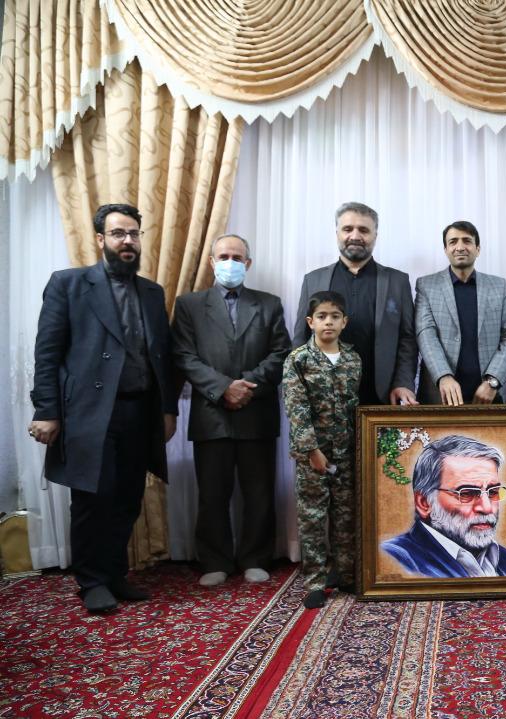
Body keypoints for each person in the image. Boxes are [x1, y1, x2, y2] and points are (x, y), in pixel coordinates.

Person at [29, 203, 177, 612]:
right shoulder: (68, 284)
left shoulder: (152, 292)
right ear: (100, 239)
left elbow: (161, 357)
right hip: (89, 414)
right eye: (118, 233)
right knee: (92, 500)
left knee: (128, 498)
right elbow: (47, 354)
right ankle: (91, 582)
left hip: (139, 411)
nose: (127, 241)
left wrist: (167, 409)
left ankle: (114, 575)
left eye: (133, 233)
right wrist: (46, 411)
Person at [171, 234, 291, 587]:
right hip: (212, 413)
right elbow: (183, 355)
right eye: (223, 256)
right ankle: (215, 560)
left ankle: (256, 557)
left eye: (237, 257)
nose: (230, 263)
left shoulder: (269, 304)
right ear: (211, 261)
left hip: (257, 411)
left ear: (247, 263)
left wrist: (246, 385)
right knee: (212, 493)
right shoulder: (190, 305)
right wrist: (223, 388)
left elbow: (281, 353)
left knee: (259, 493)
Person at [292, 202, 417, 406]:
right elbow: (301, 337)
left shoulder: (397, 281)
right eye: (348, 229)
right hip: (324, 398)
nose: (355, 236)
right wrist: (299, 388)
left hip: (382, 395)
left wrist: (403, 383)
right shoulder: (313, 280)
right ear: (337, 234)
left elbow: (407, 339)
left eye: (364, 230)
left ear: (375, 235)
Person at [283, 291, 361, 608]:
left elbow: (354, 406)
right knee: (313, 518)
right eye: (322, 316)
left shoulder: (353, 359)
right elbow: (296, 408)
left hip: (347, 452)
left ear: (344, 322)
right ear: (310, 322)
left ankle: (345, 574)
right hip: (313, 454)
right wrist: (311, 450)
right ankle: (315, 581)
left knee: (346, 516)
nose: (328, 322)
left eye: (335, 316)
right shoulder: (298, 359)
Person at [381, 435, 506, 578]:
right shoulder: (395, 560)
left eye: (493, 492)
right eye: (466, 493)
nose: (487, 508)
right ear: (424, 503)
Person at [415, 220, 506, 405]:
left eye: (467, 241)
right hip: (439, 397)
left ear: (477, 249)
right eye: (453, 242)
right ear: (446, 249)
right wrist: (443, 375)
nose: (460, 247)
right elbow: (425, 334)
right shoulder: (427, 285)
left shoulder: (498, 286)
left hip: (489, 397)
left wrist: (493, 381)